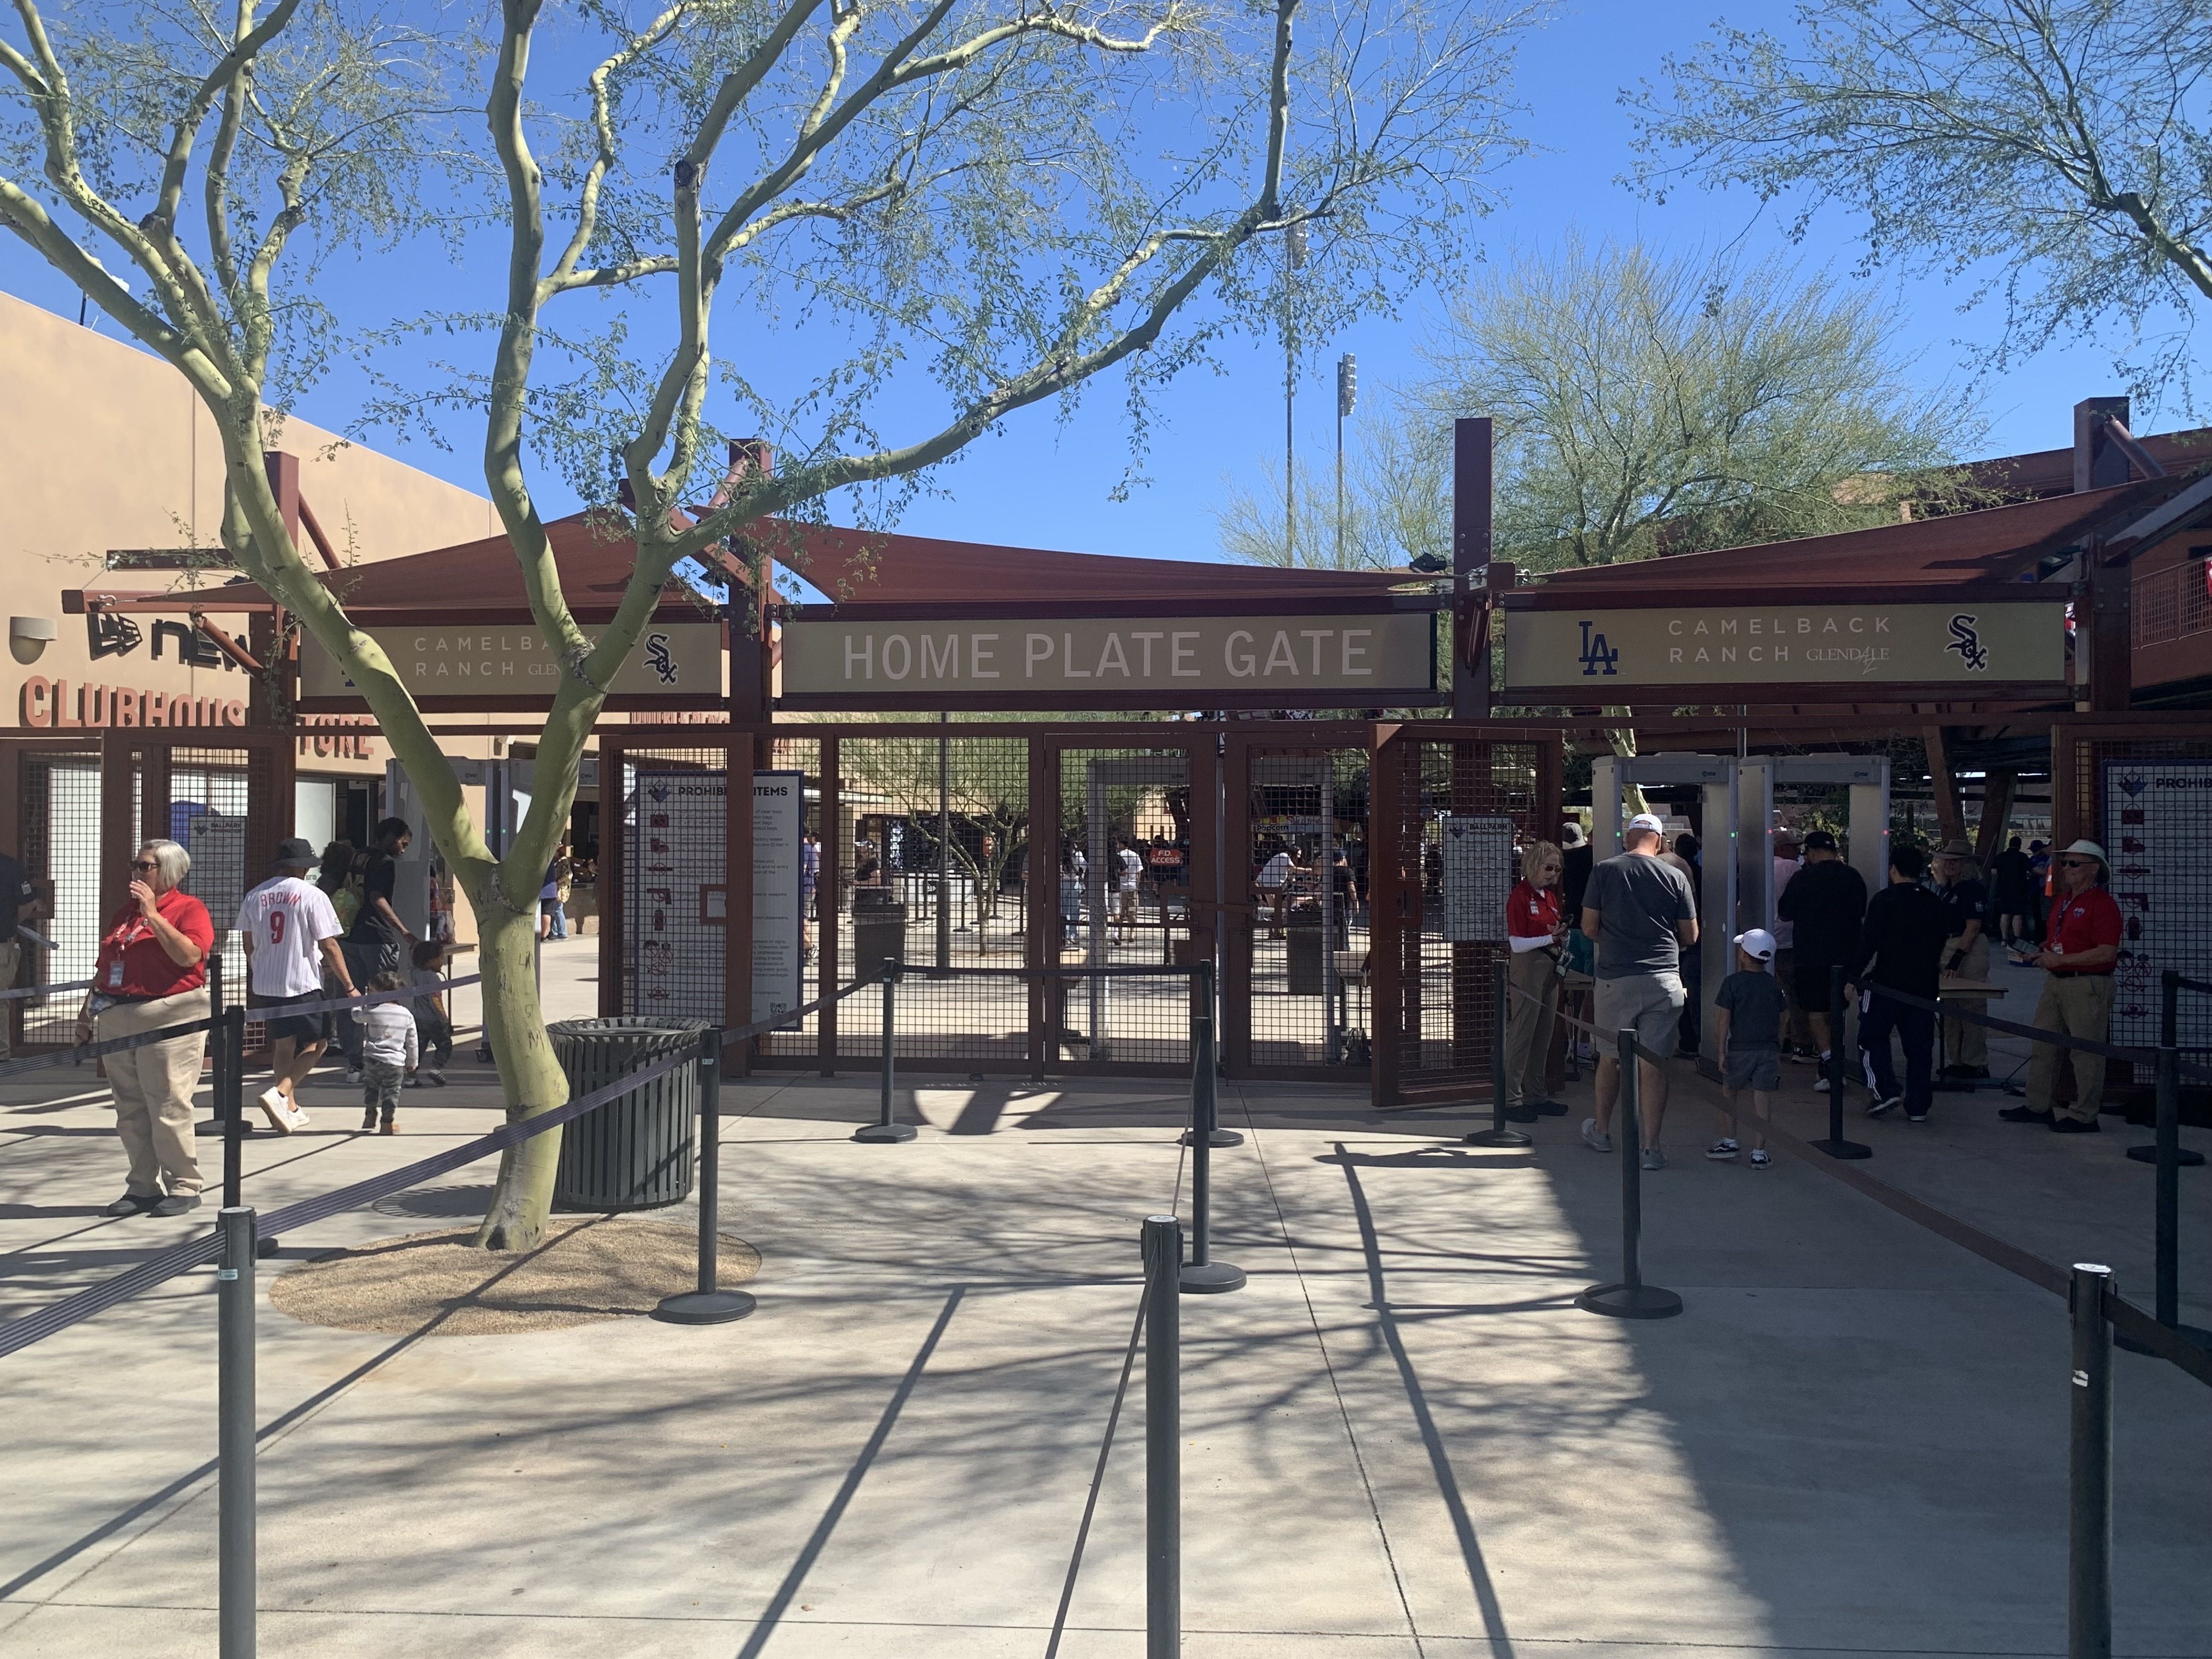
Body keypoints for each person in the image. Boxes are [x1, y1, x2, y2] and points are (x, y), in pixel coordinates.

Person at [82, 840, 214, 1217]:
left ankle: (184, 1185)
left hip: (169, 1013)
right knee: (130, 1106)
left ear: (168, 871)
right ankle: (142, 1186)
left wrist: (154, 915)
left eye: (145, 866)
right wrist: (85, 1014)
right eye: (134, 865)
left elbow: (190, 956)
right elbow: (105, 967)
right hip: (118, 1012)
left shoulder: (189, 909)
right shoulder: (124, 914)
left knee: (168, 1101)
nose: (137, 873)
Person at [1579, 811, 1698, 1170]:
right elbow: (1691, 935)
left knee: (1610, 1057)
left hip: (1617, 977)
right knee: (1654, 1066)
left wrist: (1615, 942)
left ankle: (1601, 1130)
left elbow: (1588, 927)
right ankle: (1652, 1147)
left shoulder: (1604, 871)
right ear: (1660, 842)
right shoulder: (1676, 876)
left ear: (1627, 838)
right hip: (1664, 978)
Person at [237, 837, 356, 1135]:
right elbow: (328, 944)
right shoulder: (312, 896)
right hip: (302, 981)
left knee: (284, 1043)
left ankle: (290, 1107)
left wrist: (258, 967)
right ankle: (279, 1094)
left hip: (267, 982)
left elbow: (247, 941)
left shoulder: (255, 895)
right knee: (319, 1043)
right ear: (303, 867)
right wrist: (349, 985)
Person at [2004, 839, 2123, 1134]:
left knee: (2085, 1052)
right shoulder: (2064, 899)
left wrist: (2063, 959)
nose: (2066, 869)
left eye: (2074, 863)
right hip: (2057, 980)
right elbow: (2060, 939)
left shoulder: (2103, 904)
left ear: (2094, 869)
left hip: (2087, 984)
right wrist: (2043, 951)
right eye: (2065, 863)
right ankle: (2037, 1106)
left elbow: (2108, 951)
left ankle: (2085, 1115)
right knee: (2043, 1044)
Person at [1848, 844, 1949, 1122]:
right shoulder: (1934, 901)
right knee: (1919, 1046)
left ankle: (1884, 1089)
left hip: (1886, 981)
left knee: (1872, 1037)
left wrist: (1852, 976)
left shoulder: (1884, 900)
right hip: (1925, 984)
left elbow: (1868, 942)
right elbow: (1942, 939)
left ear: (1893, 869)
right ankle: (1918, 1105)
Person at [1776, 830, 1867, 1088]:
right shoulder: (1853, 877)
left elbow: (1785, 913)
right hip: (1846, 955)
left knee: (1815, 1012)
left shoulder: (1803, 878)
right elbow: (1861, 911)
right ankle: (1832, 1061)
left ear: (1812, 852)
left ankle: (1829, 1061)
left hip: (1810, 954)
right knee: (1837, 1010)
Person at [341, 817, 416, 1083]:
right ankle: (385, 1060)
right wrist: (403, 930)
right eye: (403, 842)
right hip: (375, 937)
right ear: (392, 837)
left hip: (349, 936)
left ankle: (355, 1063)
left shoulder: (357, 857)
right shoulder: (384, 862)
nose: (403, 850)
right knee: (385, 1000)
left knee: (353, 998)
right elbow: (377, 898)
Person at [1706, 928, 1787, 1170]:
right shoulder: (1773, 984)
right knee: (1762, 1099)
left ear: (1744, 954)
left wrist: (1720, 1051)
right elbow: (1785, 1016)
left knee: (1729, 1092)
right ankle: (1759, 1152)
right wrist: (1778, 1045)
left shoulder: (1732, 983)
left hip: (1740, 1049)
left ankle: (1729, 1141)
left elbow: (1724, 1019)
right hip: (1768, 1049)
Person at [1501, 839, 1566, 1121]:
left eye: (1557, 869)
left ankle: (1536, 1094)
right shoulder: (1520, 896)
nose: (1553, 874)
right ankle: (1511, 1099)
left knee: (1544, 1033)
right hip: (1528, 966)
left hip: (1550, 966)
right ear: (1533, 866)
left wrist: (1561, 935)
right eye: (1549, 868)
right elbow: (1516, 943)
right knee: (1523, 1032)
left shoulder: (1549, 897)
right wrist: (1550, 938)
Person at [1928, 838, 1991, 1080]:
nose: (1950, 865)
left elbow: (1973, 927)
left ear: (1967, 865)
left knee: (1972, 1005)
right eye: (1947, 860)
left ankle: (1975, 1062)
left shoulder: (1972, 888)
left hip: (1968, 947)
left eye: (1956, 861)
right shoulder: (1947, 890)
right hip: (1948, 943)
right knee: (1950, 1008)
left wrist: (1956, 959)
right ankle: (1957, 1060)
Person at [353, 969, 419, 1134]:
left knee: (371, 1088)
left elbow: (357, 1017)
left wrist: (356, 1004)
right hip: (395, 1062)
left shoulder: (372, 1011)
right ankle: (387, 1123)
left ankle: (369, 1116)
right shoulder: (406, 1015)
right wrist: (413, 1063)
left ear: (380, 993)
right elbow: (412, 1041)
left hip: (372, 1058)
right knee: (391, 1092)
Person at [1769, 830, 1815, 1059]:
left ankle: (1778, 1039)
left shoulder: (1762, 867)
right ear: (1780, 848)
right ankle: (1802, 1043)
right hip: (1789, 939)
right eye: (1793, 847)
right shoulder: (1792, 869)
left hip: (1766, 940)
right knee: (1795, 993)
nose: (1797, 852)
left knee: (1774, 994)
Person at [0, 840, 45, 1060]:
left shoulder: (9, 867)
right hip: (1, 943)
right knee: (0, 1000)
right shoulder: (10, 867)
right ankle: (1, 1053)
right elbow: (29, 903)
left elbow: (29, 902)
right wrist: (10, 922)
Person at [1559, 822, 1596, 1064]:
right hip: (1592, 928)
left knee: (1570, 987)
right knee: (1592, 988)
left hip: (1569, 928)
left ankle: (1570, 1042)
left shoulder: (1561, 861)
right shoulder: (1594, 857)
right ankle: (1584, 1043)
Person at [1668, 831, 1703, 1058]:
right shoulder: (1703, 872)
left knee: (1681, 991)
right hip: (1702, 938)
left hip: (1682, 941)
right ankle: (1702, 1040)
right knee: (1698, 991)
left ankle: (1689, 1040)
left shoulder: (1675, 874)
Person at [408, 938, 454, 1087]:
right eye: (440, 958)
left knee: (417, 1049)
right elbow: (435, 1000)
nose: (442, 962)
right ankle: (436, 1068)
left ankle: (411, 1077)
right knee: (444, 1044)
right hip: (433, 1020)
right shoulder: (433, 978)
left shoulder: (414, 973)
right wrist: (444, 1018)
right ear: (431, 960)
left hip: (417, 1019)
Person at [1989, 833, 2035, 945]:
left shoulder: (2001, 856)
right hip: (2020, 889)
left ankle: (2004, 939)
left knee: (2005, 914)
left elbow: (1993, 872)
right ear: (2019, 845)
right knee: (2017, 914)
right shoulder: (2023, 857)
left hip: (2003, 889)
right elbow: (2031, 871)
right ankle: (2017, 939)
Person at [1255, 842, 1296, 936]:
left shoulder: (1282, 865)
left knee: (1275, 911)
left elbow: (1292, 879)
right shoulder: (1284, 857)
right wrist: (1309, 871)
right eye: (1298, 855)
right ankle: (1274, 933)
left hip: (1275, 889)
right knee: (1274, 911)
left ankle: (1274, 933)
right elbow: (1294, 869)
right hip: (1271, 888)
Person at [1114, 838, 1144, 941]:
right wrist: (1137, 884)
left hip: (1120, 887)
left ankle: (1120, 934)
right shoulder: (1135, 855)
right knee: (1132, 912)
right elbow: (1139, 872)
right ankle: (1132, 934)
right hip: (1132, 887)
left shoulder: (1117, 856)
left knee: (1120, 912)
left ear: (1122, 844)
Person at [799, 831, 820, 962]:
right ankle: (808, 951)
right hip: (811, 888)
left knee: (797, 922)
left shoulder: (804, 850)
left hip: (804, 888)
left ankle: (811, 947)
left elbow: (803, 869)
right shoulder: (813, 850)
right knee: (804, 920)